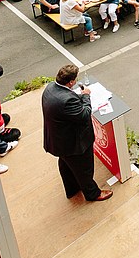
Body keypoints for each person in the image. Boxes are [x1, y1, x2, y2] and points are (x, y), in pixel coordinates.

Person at [41, 64, 113, 202]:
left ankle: (72, 189)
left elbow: (65, 108)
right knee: (84, 169)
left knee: (66, 166)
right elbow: (85, 114)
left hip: (58, 141)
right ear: (71, 82)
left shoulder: (50, 88)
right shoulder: (67, 100)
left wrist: (78, 98)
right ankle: (93, 194)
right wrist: (86, 96)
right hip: (73, 144)